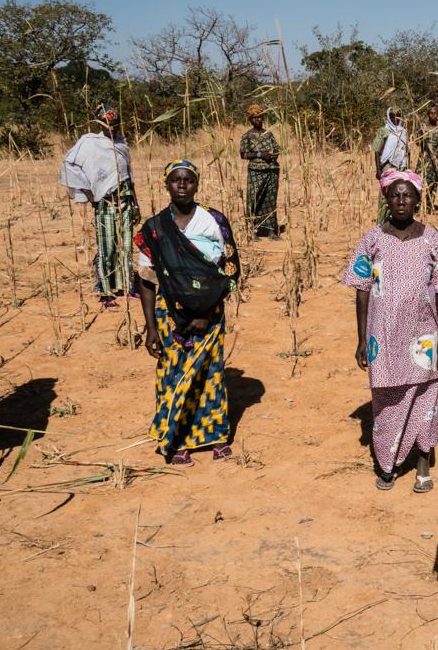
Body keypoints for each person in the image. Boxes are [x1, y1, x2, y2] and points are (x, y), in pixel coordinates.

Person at [342, 169, 438, 491]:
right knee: (385, 398)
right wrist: (363, 339)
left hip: (424, 335)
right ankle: (387, 463)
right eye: (395, 195)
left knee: (426, 396)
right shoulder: (372, 238)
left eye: (408, 195)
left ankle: (422, 462)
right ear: (386, 199)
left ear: (419, 199)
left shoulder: (431, 237)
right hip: (383, 337)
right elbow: (361, 289)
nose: (401, 200)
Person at [134, 160, 240, 465]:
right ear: (166, 185)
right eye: (176, 180)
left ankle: (215, 436)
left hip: (211, 312)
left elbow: (231, 270)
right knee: (173, 374)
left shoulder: (214, 221)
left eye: (189, 180)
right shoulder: (153, 228)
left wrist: (206, 310)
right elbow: (145, 278)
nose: (182, 185)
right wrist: (151, 327)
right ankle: (177, 438)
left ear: (197, 184)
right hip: (170, 316)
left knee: (210, 374)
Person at [61, 105, 140, 309]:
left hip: (126, 201)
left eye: (115, 124)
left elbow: (128, 176)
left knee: (126, 246)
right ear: (99, 124)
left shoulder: (122, 143)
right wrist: (88, 194)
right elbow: (69, 164)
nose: (111, 128)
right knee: (107, 248)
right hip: (105, 202)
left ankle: (125, 286)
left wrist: (136, 204)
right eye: (107, 124)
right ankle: (105, 292)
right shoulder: (89, 142)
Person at [238, 103, 282, 239]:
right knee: (253, 198)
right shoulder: (247, 136)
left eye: (260, 117)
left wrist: (273, 155)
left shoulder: (268, 134)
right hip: (256, 171)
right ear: (250, 120)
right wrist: (260, 155)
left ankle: (270, 231)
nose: (258, 120)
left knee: (270, 199)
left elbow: (276, 148)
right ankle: (251, 230)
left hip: (272, 170)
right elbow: (243, 154)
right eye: (254, 118)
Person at [373, 106, 410, 223]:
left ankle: (394, 221)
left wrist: (406, 167)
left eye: (398, 116)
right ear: (389, 117)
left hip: (401, 168)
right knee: (385, 196)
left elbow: (405, 151)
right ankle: (381, 222)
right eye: (393, 116)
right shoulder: (383, 131)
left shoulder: (403, 132)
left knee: (398, 194)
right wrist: (378, 170)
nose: (395, 119)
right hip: (388, 167)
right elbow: (377, 151)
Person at [417, 105, 438, 212]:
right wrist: (423, 140)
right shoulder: (423, 127)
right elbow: (417, 143)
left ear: (437, 115)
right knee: (419, 181)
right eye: (431, 113)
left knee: (433, 182)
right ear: (428, 115)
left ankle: (429, 206)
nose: (433, 115)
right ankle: (416, 205)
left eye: (435, 113)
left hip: (437, 159)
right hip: (425, 157)